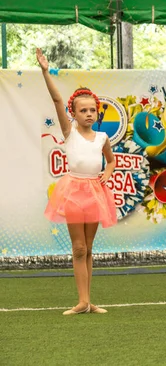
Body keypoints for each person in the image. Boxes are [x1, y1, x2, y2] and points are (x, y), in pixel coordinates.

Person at [37, 48, 117, 315]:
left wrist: (107, 172)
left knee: (90, 247)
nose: (89, 114)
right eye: (83, 110)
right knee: (79, 246)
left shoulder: (103, 137)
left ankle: (88, 301)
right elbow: (58, 101)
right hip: (73, 190)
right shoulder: (69, 133)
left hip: (94, 190)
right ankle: (82, 301)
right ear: (74, 113)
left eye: (93, 110)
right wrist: (46, 72)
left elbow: (111, 161)